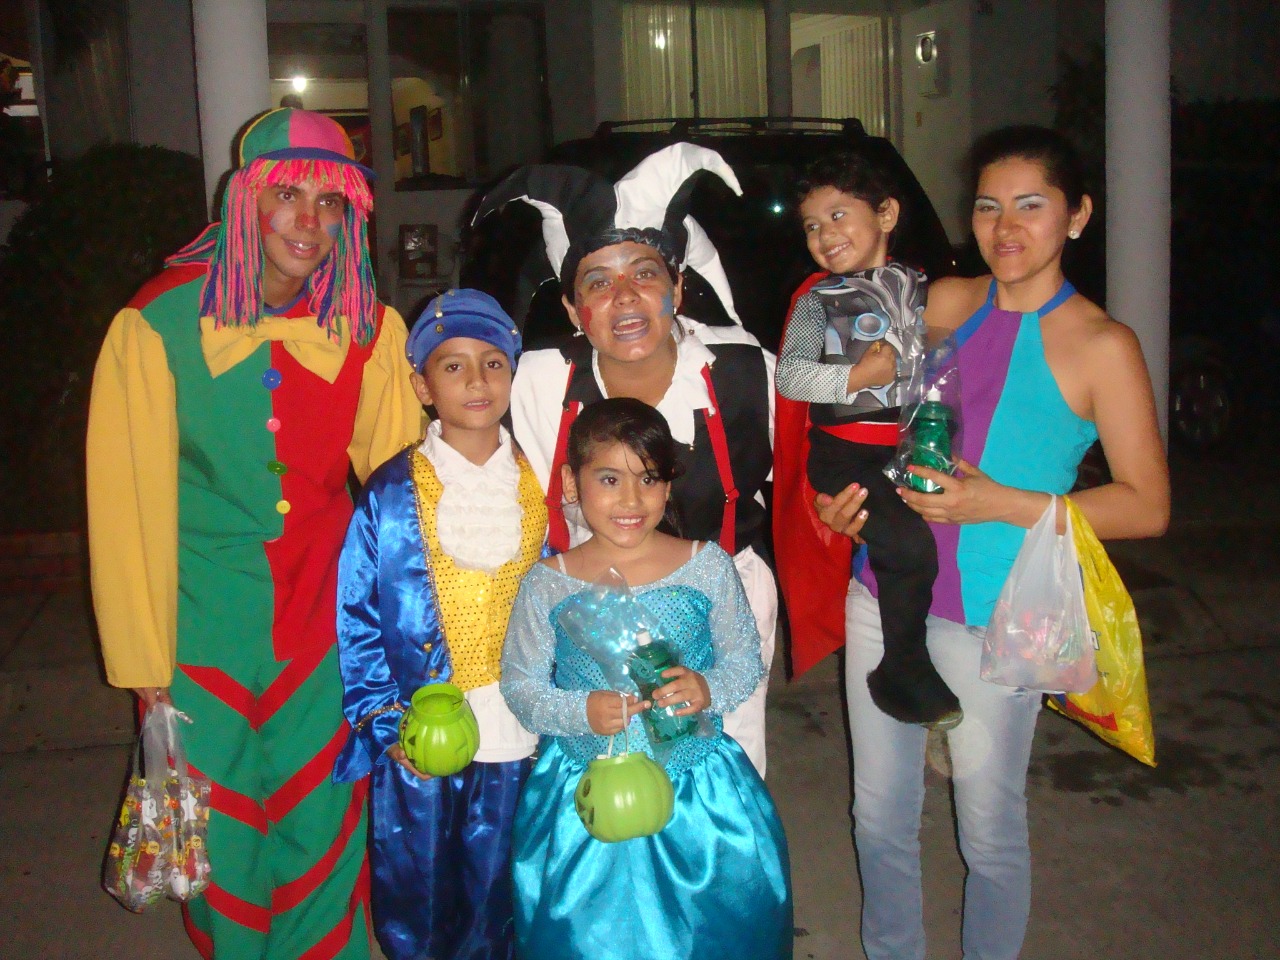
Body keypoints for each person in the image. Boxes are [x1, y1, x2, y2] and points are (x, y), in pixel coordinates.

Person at [800, 125, 1170, 959]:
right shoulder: (945, 302)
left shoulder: (1102, 345)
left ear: (1077, 215)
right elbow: (846, 401)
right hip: (883, 591)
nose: (1005, 228)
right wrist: (839, 499)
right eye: (988, 207)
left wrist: (998, 501)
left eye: (1030, 206)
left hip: (1001, 614)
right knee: (877, 816)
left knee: (989, 828)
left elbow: (1147, 505)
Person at [86, 107, 422, 959]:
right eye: (287, 196)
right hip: (200, 622)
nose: (309, 221)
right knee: (223, 830)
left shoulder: (367, 325)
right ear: (245, 202)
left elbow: (405, 492)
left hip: (326, 620)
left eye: (329, 202)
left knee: (324, 817)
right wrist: (143, 660)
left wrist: (419, 632)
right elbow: (124, 504)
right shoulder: (156, 323)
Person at [475, 142, 778, 776]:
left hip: (723, 602)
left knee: (722, 768)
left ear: (678, 287)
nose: (625, 298)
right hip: (590, 605)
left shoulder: (747, 371)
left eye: (644, 274)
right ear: (572, 310)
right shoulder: (537, 381)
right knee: (603, 772)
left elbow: (812, 462)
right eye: (598, 283)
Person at [500, 397, 792, 959]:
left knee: (711, 935)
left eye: (649, 479)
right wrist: (580, 711)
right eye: (609, 479)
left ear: (668, 485)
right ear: (571, 482)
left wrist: (707, 688)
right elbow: (522, 686)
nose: (631, 500)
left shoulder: (705, 564)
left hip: (697, 794)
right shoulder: (548, 581)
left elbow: (744, 662)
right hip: (586, 794)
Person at [332, 289, 546, 960]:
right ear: (423, 386)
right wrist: (381, 718)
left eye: (492, 364)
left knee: (499, 875)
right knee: (419, 877)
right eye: (453, 367)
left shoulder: (543, 481)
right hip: (421, 723)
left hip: (514, 720)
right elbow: (358, 612)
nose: (476, 381)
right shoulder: (390, 491)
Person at [776, 153, 961, 729]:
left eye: (838, 215)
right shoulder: (818, 301)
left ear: (886, 214)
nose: (824, 235)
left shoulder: (925, 287)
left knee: (935, 543)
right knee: (907, 545)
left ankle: (921, 658)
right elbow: (789, 377)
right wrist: (858, 377)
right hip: (846, 453)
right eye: (812, 225)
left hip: (911, 444)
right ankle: (902, 667)